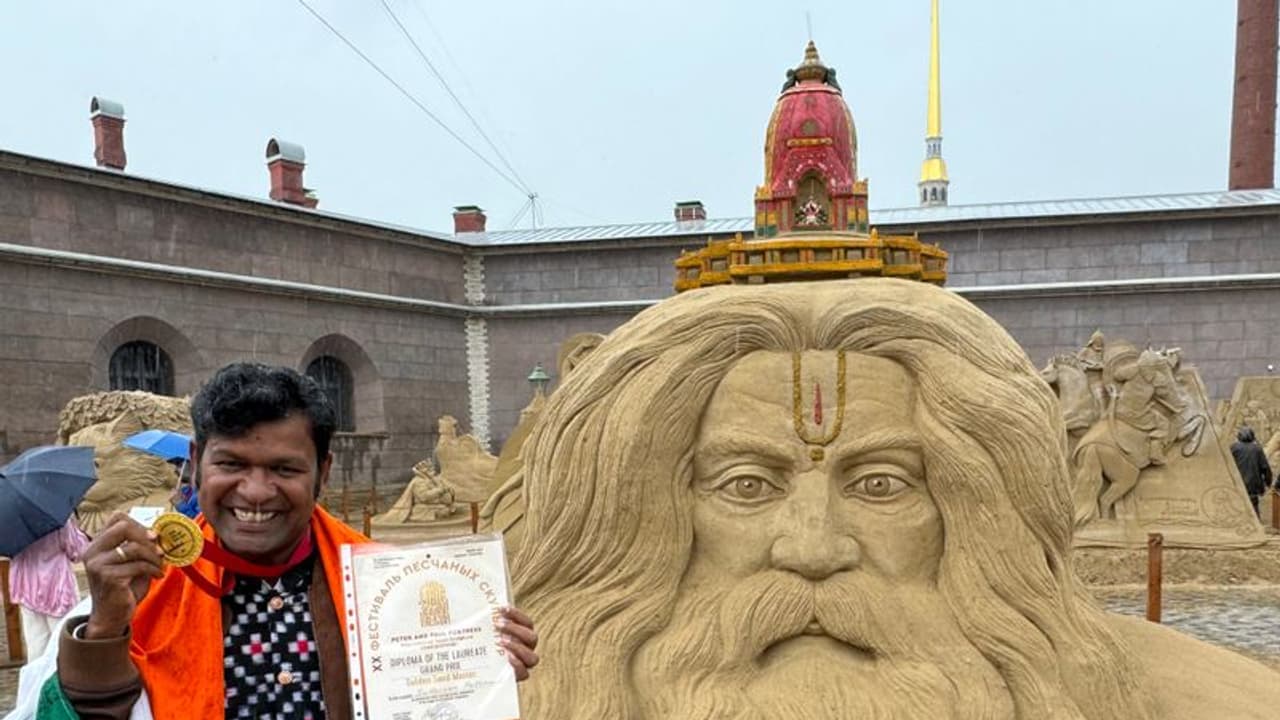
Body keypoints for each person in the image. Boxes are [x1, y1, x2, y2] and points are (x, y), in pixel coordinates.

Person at [509, 279, 1280, 719]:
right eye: (746, 485)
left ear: (977, 515)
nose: (814, 548)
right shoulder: (530, 689)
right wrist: (467, 672)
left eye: (882, 485)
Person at [41, 363, 538, 719]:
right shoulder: (140, 585)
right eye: (231, 463)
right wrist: (103, 632)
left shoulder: (388, 585)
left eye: (284, 469)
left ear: (323, 470)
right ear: (196, 463)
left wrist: (476, 672)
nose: (256, 492)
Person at [6, 520, 89, 659]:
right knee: (62, 638)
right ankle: (61, 670)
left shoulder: (12, 522)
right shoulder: (56, 520)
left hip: (26, 586)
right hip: (56, 585)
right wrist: (80, 534)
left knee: (35, 641)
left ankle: (37, 672)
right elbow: (78, 552)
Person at [1231, 426, 1273, 517]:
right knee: (1254, 508)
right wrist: (1268, 482)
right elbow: (1265, 468)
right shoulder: (1257, 449)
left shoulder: (1233, 448)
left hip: (1238, 484)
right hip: (1253, 486)